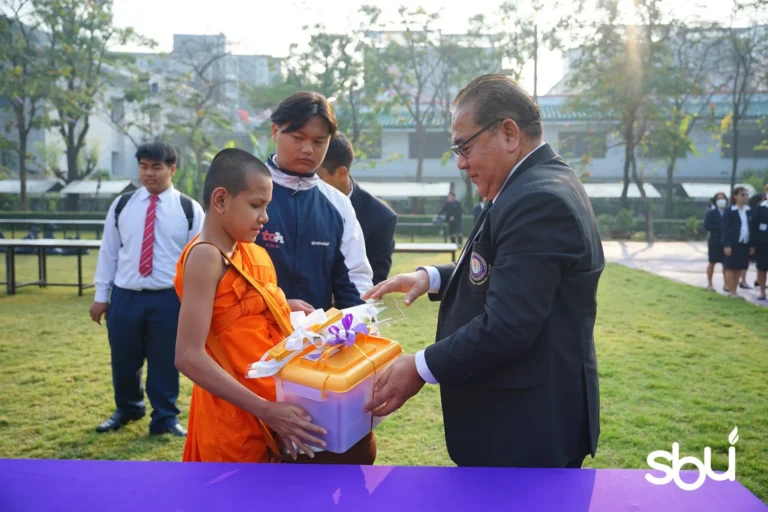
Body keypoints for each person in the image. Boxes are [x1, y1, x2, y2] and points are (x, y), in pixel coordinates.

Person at [363, 74, 604, 469]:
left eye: (465, 146)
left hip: (525, 428)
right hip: (522, 417)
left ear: (509, 133)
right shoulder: (533, 181)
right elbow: (506, 266)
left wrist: (420, 366)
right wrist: (433, 277)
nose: (461, 162)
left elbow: (508, 325)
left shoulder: (537, 199)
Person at [174, 148, 327, 463]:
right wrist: (266, 410)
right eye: (256, 205)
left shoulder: (248, 250)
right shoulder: (206, 255)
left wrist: (284, 305)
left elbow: (243, 312)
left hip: (272, 398)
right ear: (220, 200)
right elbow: (188, 356)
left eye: (266, 206)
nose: (265, 217)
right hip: (237, 408)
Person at [89, 141, 204, 436]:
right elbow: (109, 253)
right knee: (124, 358)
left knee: (165, 360)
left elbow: (198, 260)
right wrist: (101, 296)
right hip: (126, 296)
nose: (148, 173)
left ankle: (165, 418)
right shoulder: (122, 205)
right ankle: (128, 408)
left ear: (172, 169)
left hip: (169, 298)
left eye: (156, 167)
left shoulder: (189, 209)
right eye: (143, 166)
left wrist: (196, 304)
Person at [256, 91, 373, 311]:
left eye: (319, 141)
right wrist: (277, 307)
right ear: (275, 131)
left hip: (316, 331)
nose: (308, 149)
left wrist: (361, 322)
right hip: (250, 329)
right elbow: (221, 273)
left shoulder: (338, 205)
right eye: (298, 138)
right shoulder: (244, 193)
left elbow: (355, 280)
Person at [317, 133, 397, 285]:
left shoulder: (381, 218)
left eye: (318, 176)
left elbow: (374, 282)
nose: (311, 181)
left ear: (342, 173)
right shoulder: (298, 200)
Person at [722, 186, 754, 299]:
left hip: (744, 243)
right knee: (731, 267)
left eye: (746, 195)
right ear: (735, 196)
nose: (745, 197)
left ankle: (734, 291)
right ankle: (731, 291)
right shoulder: (729, 211)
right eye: (742, 195)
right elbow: (725, 229)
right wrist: (726, 245)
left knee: (739, 267)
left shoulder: (749, 210)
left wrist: (752, 245)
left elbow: (751, 228)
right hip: (733, 243)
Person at [704, 192, 728, 292]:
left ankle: (726, 284)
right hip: (714, 240)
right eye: (719, 198)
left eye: (723, 198)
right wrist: (721, 228)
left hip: (726, 241)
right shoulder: (711, 213)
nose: (721, 200)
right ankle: (710, 284)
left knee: (726, 264)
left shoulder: (728, 212)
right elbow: (707, 226)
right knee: (712, 262)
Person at [751, 184, 768, 300]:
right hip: (763, 242)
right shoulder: (761, 207)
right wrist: (753, 243)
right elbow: (754, 225)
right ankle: (762, 292)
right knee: (762, 267)